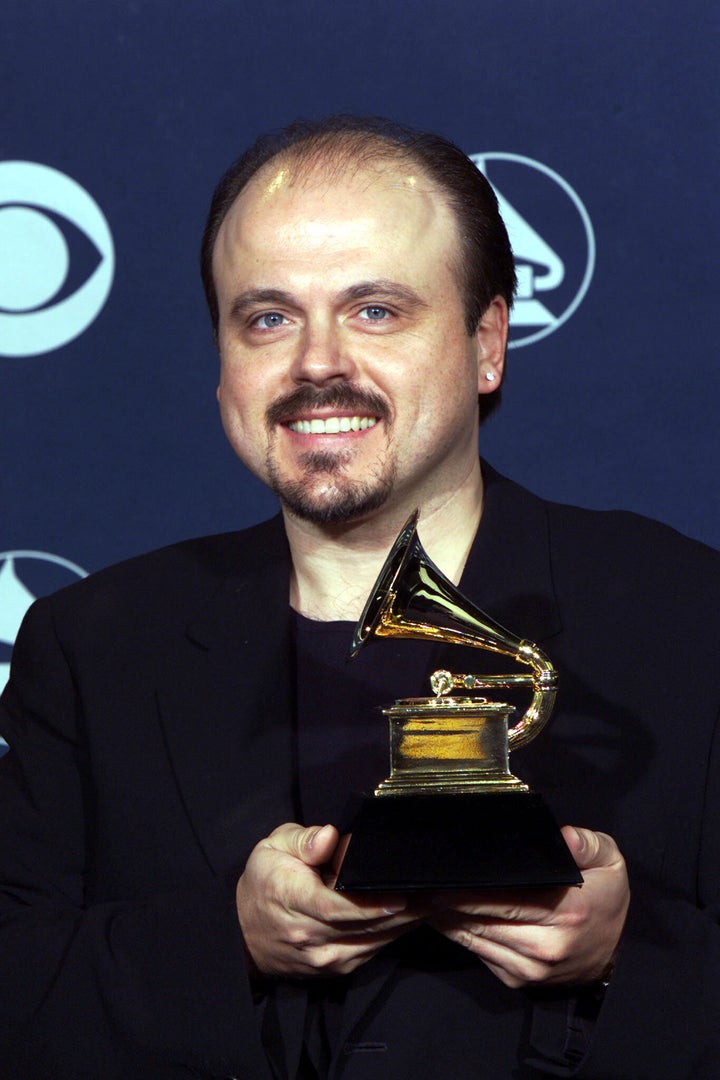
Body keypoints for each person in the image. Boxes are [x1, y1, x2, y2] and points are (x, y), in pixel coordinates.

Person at [0, 116, 718, 1079]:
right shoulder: (93, 644)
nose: (316, 362)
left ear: (488, 343)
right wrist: (229, 939)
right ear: (222, 365)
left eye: (375, 310)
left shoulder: (689, 616)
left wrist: (627, 956)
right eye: (267, 317)